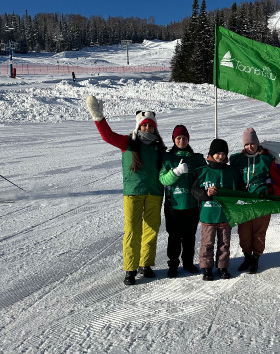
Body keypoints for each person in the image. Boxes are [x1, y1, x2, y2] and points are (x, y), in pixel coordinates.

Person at [85, 96, 166, 286]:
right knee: (132, 230)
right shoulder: (128, 143)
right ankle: (130, 268)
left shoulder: (159, 147)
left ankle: (146, 264)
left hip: (154, 192)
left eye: (150, 126)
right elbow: (108, 136)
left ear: (155, 128)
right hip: (133, 192)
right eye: (145, 126)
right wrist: (98, 117)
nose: (148, 128)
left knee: (151, 229)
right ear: (139, 127)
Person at [229, 128, 280, 274]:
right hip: (244, 203)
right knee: (244, 233)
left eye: (252, 143)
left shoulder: (265, 159)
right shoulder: (236, 159)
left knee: (259, 232)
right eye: (247, 144)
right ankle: (247, 257)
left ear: (257, 143)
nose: (250, 146)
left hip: (262, 203)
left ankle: (255, 258)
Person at [191, 138, 243, 281]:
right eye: (217, 153)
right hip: (208, 215)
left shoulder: (232, 172)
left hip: (226, 215)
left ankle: (222, 267)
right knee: (207, 243)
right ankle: (207, 268)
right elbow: (194, 191)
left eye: (223, 154)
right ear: (211, 154)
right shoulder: (202, 172)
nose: (220, 156)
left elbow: (239, 190)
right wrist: (206, 193)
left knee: (224, 243)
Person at [159, 125, 206, 278]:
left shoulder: (196, 158)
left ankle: (188, 262)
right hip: (174, 204)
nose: (181, 141)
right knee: (174, 236)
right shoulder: (168, 158)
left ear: (188, 139)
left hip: (191, 204)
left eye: (184, 138)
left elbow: (206, 175)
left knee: (190, 235)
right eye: (178, 138)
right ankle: (173, 264)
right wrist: (176, 172)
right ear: (174, 140)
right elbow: (163, 179)